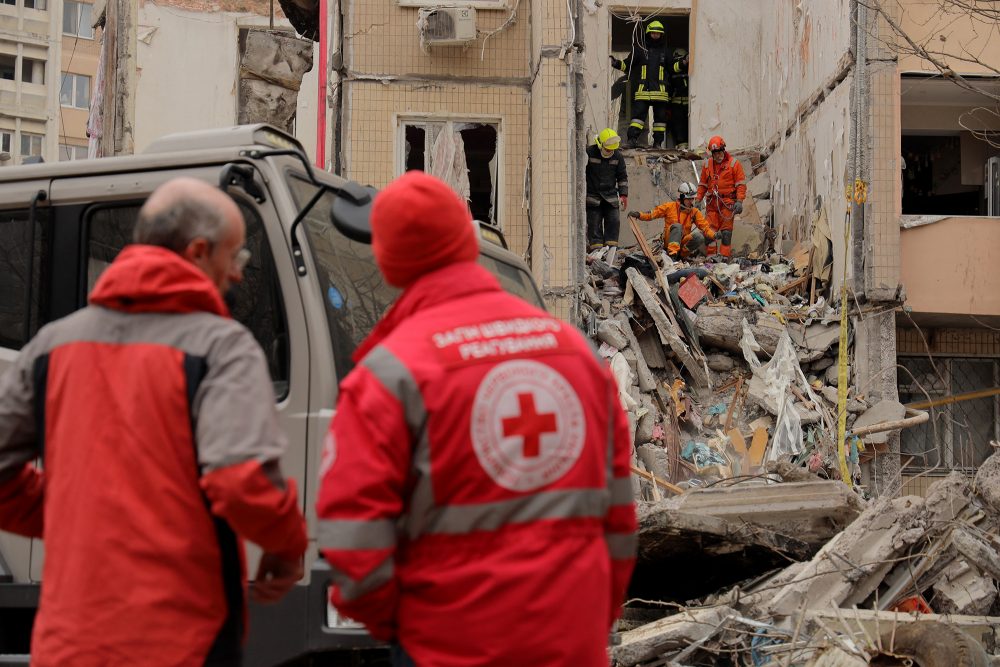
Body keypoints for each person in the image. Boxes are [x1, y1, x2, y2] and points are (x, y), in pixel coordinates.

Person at [316, 171, 637, 667]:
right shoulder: (575, 353)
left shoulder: (389, 374)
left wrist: (396, 626)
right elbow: (618, 514)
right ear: (468, 243)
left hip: (447, 646)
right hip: (570, 642)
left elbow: (352, 537)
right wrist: (593, 617)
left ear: (388, 261)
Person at [0, 178, 308, 666]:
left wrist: (73, 513)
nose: (239, 276)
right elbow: (241, 481)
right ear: (200, 251)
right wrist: (287, 546)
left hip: (68, 643)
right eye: (237, 258)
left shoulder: (51, 346)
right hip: (181, 639)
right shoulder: (222, 347)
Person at [611, 20, 670, 148]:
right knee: (637, 118)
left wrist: (683, 63)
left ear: (661, 35)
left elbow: (673, 68)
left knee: (660, 120)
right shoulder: (639, 50)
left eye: (658, 33)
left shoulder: (665, 52)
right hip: (643, 91)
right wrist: (616, 64)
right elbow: (628, 65)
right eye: (653, 33)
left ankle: (658, 143)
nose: (655, 35)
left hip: (660, 94)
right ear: (648, 33)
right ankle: (632, 140)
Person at [628, 181, 715, 259]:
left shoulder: (694, 212)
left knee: (699, 237)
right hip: (669, 241)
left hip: (682, 242)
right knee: (677, 226)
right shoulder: (670, 207)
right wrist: (639, 215)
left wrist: (714, 236)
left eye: (692, 199)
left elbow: (705, 227)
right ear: (681, 197)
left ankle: (681, 256)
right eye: (688, 199)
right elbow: (652, 214)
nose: (691, 201)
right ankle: (672, 255)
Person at [696, 135, 747, 258]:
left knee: (726, 233)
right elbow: (702, 184)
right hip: (712, 203)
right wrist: (698, 199)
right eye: (715, 153)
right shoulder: (707, 165)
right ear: (712, 154)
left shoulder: (734, 164)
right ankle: (711, 258)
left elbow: (740, 185)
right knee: (709, 233)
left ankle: (724, 259)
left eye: (719, 152)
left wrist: (739, 201)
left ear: (723, 150)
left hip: (728, 203)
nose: (718, 156)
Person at [586, 127, 629, 251]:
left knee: (614, 221)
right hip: (593, 196)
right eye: (607, 149)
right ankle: (597, 251)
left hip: (610, 196)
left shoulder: (618, 156)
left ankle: (611, 250)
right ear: (600, 144)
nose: (609, 151)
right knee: (594, 224)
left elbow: (622, 177)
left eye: (612, 149)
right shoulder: (589, 153)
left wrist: (623, 195)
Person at [668, 48, 689, 150]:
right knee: (678, 127)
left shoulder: (690, 70)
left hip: (689, 104)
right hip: (676, 104)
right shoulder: (672, 71)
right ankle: (682, 148)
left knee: (688, 126)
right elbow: (669, 88)